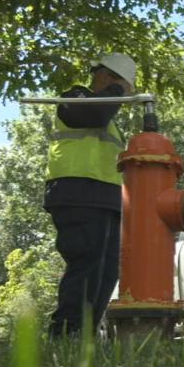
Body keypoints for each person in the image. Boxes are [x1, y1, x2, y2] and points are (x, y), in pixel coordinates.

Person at [44, 52, 136, 336]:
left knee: (106, 272)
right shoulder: (75, 97)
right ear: (104, 76)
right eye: (118, 87)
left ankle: (84, 337)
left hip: (106, 201)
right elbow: (94, 113)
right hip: (77, 193)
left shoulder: (109, 120)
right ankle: (66, 333)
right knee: (85, 264)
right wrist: (118, 89)